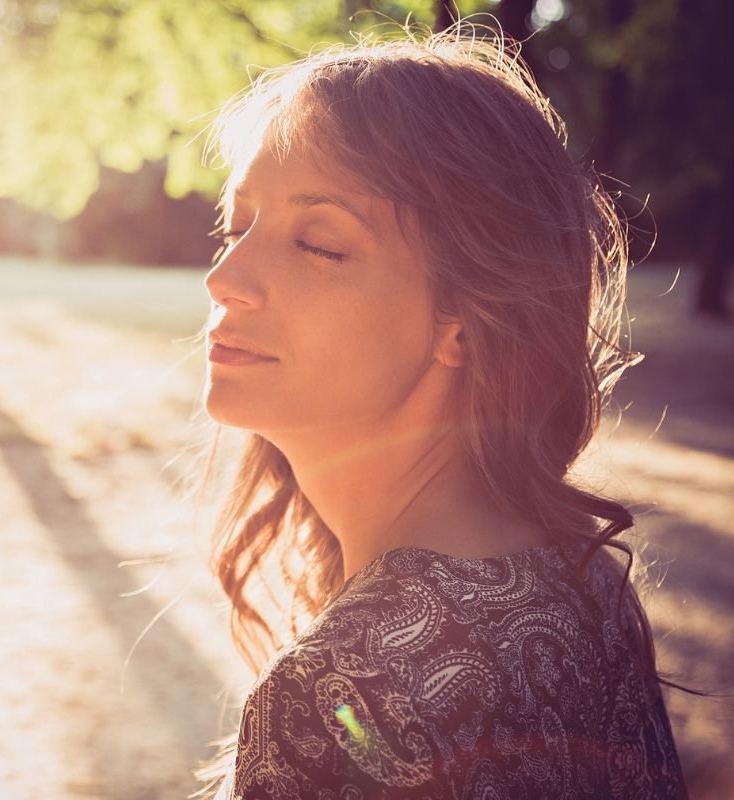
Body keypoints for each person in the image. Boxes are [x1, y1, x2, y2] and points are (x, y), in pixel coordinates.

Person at [192, 21, 689, 800]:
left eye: (318, 242)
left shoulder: (333, 694)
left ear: (464, 316)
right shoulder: (585, 584)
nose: (225, 276)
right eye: (236, 225)